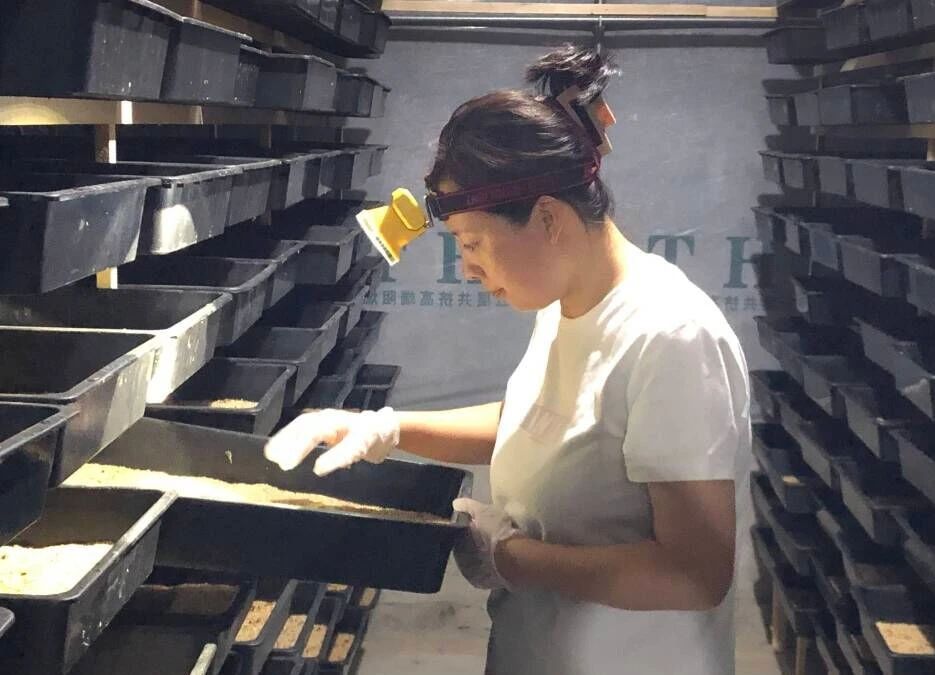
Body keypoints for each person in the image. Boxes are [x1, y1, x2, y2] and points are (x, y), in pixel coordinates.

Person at [265, 44, 751, 675]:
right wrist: (385, 428)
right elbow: (539, 422)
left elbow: (693, 575)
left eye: (473, 243)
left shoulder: (672, 339)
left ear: (547, 218)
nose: (468, 269)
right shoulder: (565, 304)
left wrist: (513, 557)